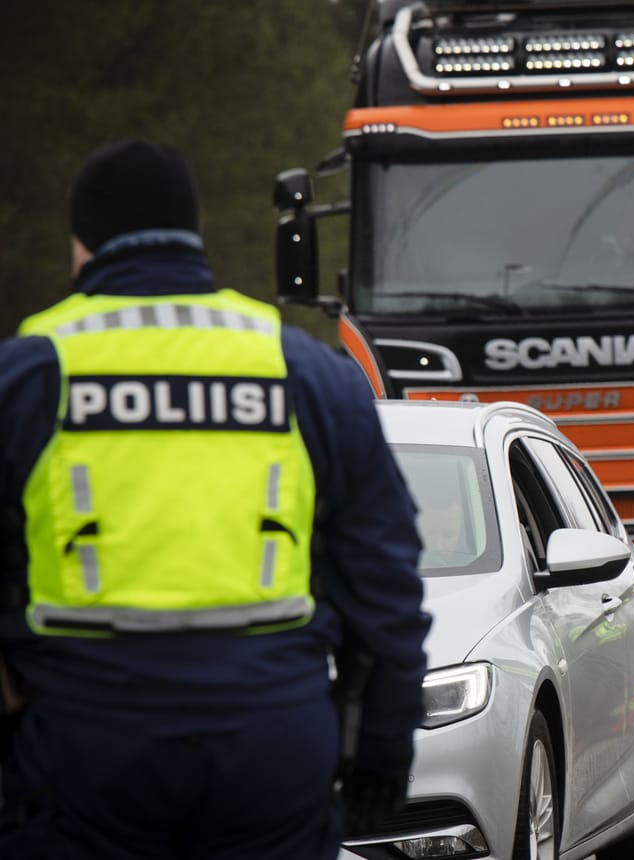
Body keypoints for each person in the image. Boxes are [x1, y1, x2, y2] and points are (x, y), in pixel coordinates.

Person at [0, 138, 432, 859]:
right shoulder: (304, 370)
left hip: (86, 750)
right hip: (271, 748)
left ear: (83, 245)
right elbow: (386, 587)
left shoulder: (30, 373)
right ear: (193, 234)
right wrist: (382, 751)